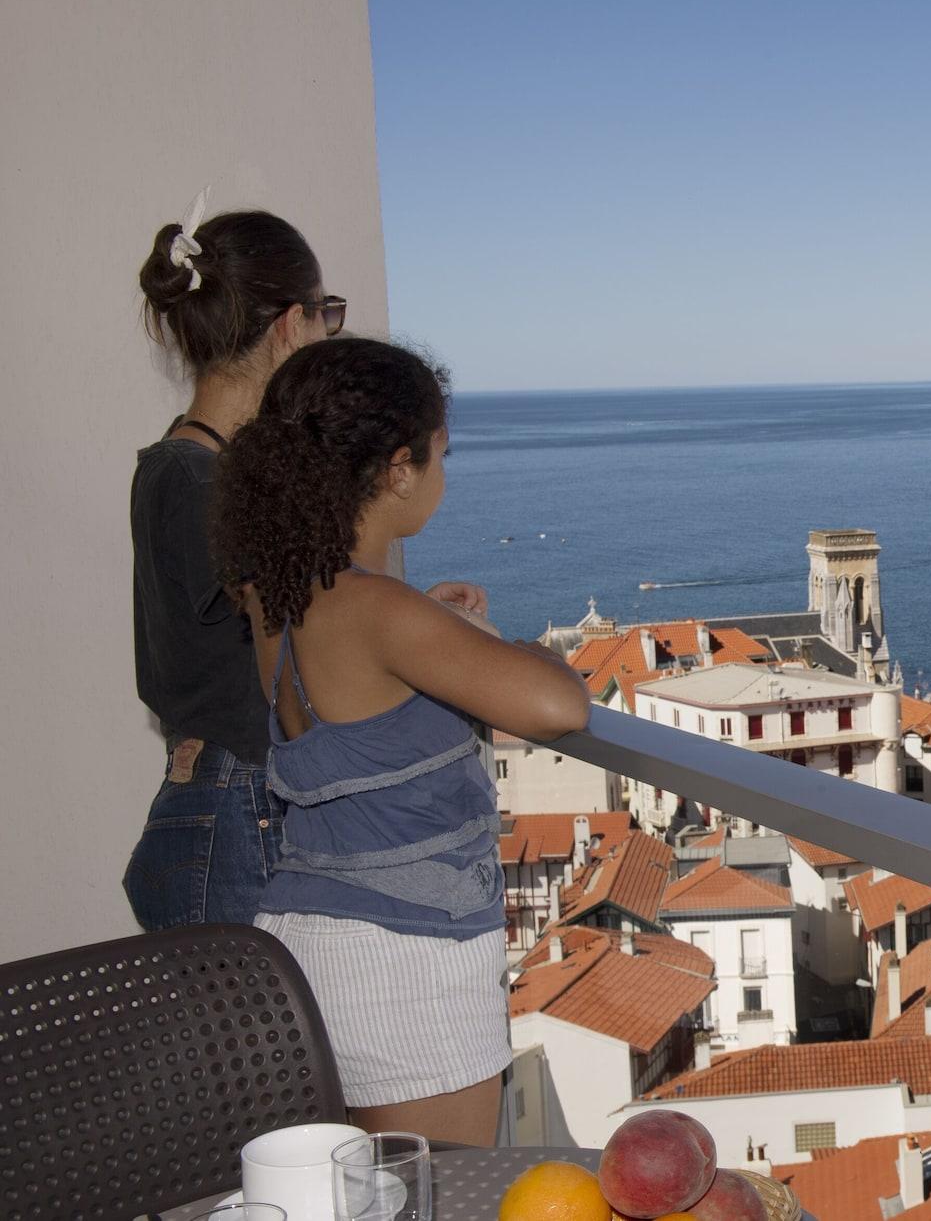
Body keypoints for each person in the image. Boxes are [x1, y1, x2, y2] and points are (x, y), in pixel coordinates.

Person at [212, 336, 590, 1144]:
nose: (443, 476)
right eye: (438, 455)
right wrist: (497, 641)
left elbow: (363, 691)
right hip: (405, 960)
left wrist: (436, 623)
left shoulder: (276, 593)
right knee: (436, 1195)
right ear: (396, 468)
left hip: (311, 936)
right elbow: (559, 705)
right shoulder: (380, 611)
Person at [127, 194, 483, 931]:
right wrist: (397, 627)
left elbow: (286, 627)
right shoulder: (196, 481)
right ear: (293, 324)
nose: (328, 332)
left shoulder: (196, 471)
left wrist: (412, 622)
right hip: (242, 804)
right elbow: (293, 630)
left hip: (241, 803)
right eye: (327, 315)